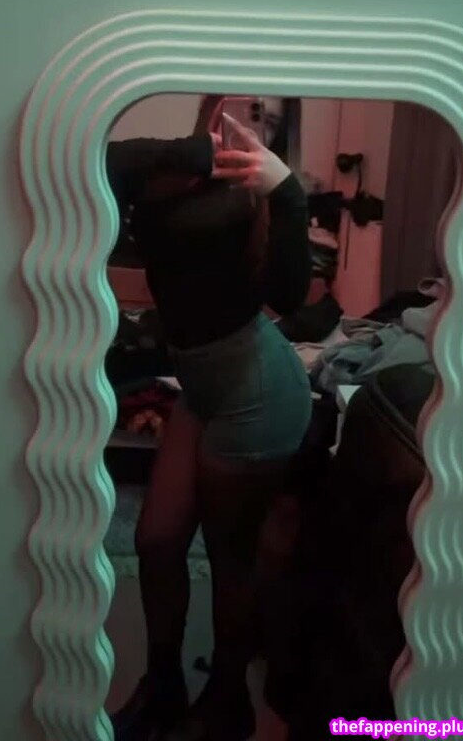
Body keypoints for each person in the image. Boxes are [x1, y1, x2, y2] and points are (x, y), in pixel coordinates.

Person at [107, 97, 312, 741]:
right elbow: (99, 163)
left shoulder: (259, 194)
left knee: (230, 557)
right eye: (243, 106)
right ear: (213, 103)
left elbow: (289, 296)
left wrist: (288, 193)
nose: (252, 126)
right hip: (200, 384)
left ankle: (227, 701)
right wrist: (191, 153)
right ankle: (164, 685)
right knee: (157, 539)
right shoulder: (163, 168)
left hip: (257, 389)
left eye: (268, 119)